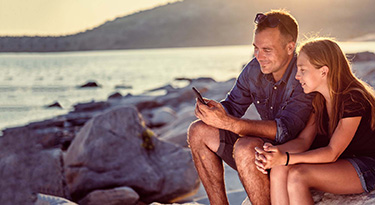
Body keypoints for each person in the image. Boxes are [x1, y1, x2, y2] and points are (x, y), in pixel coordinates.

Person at [187, 9, 314, 205]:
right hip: (267, 151)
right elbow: (232, 106)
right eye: (256, 47)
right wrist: (214, 112)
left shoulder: (304, 74)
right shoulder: (254, 69)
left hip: (297, 157)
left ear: (290, 47)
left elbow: (286, 130)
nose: (259, 56)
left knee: (247, 148)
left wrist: (232, 124)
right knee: (197, 130)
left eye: (267, 50)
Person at [255, 38, 375, 205]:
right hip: (343, 163)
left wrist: (286, 158)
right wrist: (274, 153)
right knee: (279, 169)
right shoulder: (318, 100)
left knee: (298, 176)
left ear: (323, 71)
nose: (297, 76)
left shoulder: (353, 98)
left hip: (367, 165)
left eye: (303, 70)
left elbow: (332, 152)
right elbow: (304, 141)